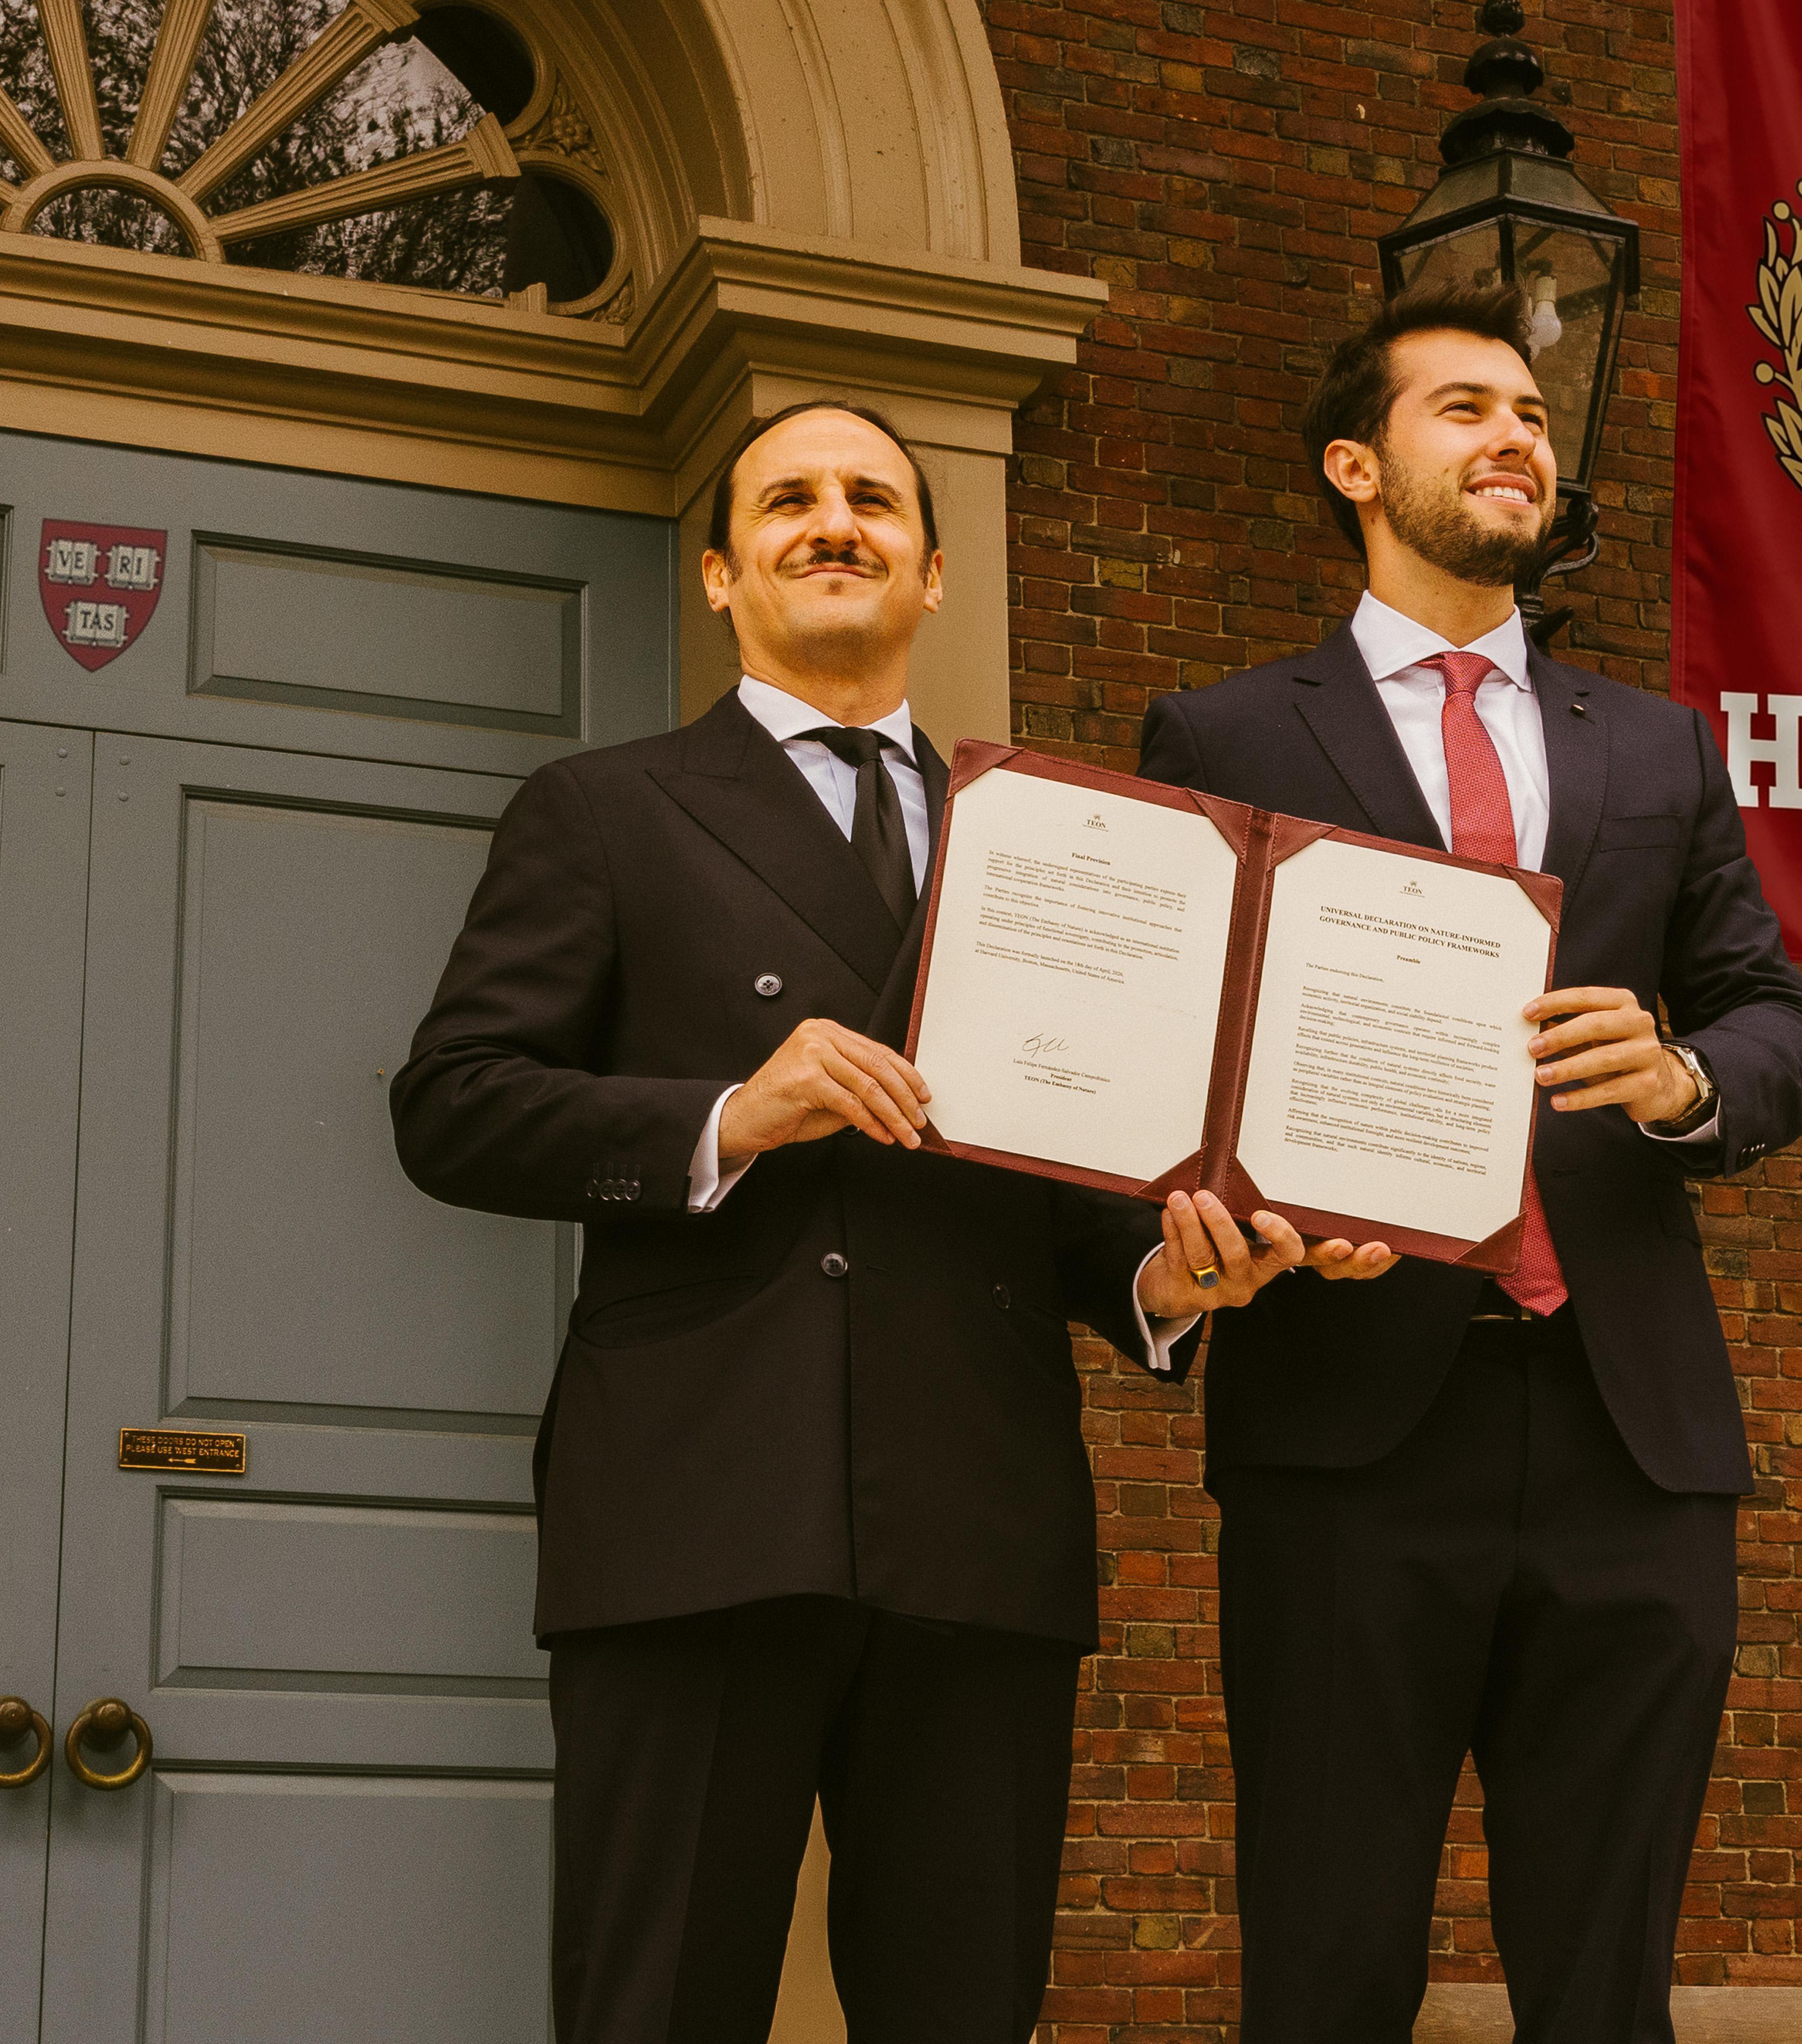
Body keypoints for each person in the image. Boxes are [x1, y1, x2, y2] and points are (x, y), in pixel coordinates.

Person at [392, 399, 1381, 2044]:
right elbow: (454, 1105)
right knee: (658, 2009)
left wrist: (1167, 1271)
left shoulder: (1065, 849)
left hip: (975, 1512)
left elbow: (1075, 1173)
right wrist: (730, 1113)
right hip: (697, 1500)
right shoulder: (603, 808)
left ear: (931, 572)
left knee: (962, 2012)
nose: (833, 521)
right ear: (722, 574)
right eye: (788, 500)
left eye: (871, 499)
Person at [1137, 282, 1802, 2041]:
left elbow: (1778, 1021)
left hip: (1630, 1428)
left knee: (1607, 1989)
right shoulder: (1223, 735)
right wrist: (1242, 1216)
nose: (1516, 434)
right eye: (1465, 408)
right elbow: (1175, 1060)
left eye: (1529, 412)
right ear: (1354, 466)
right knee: (1328, 1966)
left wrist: (1681, 1079)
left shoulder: (1658, 745)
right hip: (1348, 1431)